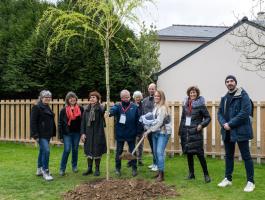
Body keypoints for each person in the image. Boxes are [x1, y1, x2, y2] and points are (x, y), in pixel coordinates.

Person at [217, 75, 255, 192]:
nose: (229, 83)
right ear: (226, 84)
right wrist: (224, 124)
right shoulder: (224, 98)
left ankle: (250, 182)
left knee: (246, 156)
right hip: (227, 131)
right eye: (227, 81)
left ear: (235, 82)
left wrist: (230, 124)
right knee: (229, 156)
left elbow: (245, 113)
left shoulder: (243, 95)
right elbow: (219, 113)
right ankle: (228, 179)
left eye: (231, 81)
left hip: (241, 131)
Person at [178, 86, 211, 183]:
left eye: (194, 92)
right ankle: (191, 174)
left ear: (197, 93)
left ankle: (206, 175)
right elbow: (183, 119)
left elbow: (208, 118)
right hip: (186, 132)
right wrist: (180, 131)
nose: (192, 94)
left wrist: (201, 125)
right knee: (189, 153)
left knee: (200, 154)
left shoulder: (201, 105)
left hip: (196, 132)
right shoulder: (185, 105)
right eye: (191, 93)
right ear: (188, 94)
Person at [109, 89, 140, 177]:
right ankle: (118, 168)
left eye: (127, 97)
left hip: (131, 133)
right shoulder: (118, 106)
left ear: (130, 97)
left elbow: (138, 120)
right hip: (120, 134)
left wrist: (138, 132)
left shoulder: (134, 106)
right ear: (121, 98)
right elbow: (113, 110)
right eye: (124, 97)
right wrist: (110, 113)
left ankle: (134, 168)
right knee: (119, 152)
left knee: (133, 152)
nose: (126, 99)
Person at [143, 90, 172, 182]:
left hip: (163, 133)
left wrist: (148, 131)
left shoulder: (163, 108)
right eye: (155, 96)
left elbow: (159, 122)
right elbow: (154, 120)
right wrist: (147, 125)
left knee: (159, 152)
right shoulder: (156, 107)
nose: (156, 97)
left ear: (162, 97)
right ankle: (159, 172)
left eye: (158, 96)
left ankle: (162, 175)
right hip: (156, 132)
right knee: (155, 152)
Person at [30, 90, 56, 181]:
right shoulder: (37, 107)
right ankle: (45, 171)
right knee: (46, 151)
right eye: (45, 97)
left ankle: (39, 170)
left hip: (47, 134)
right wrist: (35, 135)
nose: (47, 98)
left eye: (49, 97)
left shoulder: (47, 106)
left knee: (42, 151)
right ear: (41, 98)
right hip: (41, 134)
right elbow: (33, 122)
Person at [81, 91, 107, 177]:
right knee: (89, 151)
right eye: (91, 97)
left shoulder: (100, 108)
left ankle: (97, 169)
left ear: (98, 99)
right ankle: (89, 169)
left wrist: (101, 104)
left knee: (97, 151)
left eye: (94, 97)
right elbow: (83, 122)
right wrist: (83, 133)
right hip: (88, 133)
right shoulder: (86, 109)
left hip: (97, 133)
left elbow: (103, 111)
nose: (92, 98)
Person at [58, 91, 84, 176]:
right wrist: (60, 136)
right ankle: (62, 168)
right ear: (67, 100)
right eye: (70, 98)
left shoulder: (81, 109)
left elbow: (83, 122)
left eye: (74, 97)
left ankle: (74, 166)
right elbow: (60, 124)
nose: (72, 99)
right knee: (67, 149)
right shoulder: (63, 110)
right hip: (67, 133)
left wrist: (83, 132)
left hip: (77, 133)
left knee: (75, 149)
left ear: (76, 99)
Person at [142, 83, 157, 171]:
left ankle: (157, 164)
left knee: (156, 146)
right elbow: (143, 113)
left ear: (155, 89)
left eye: (153, 89)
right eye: (150, 89)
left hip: (155, 127)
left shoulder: (157, 99)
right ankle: (154, 163)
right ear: (148, 89)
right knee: (152, 146)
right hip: (147, 128)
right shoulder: (145, 100)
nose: (151, 90)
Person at [128, 91, 144, 167]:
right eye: (136, 97)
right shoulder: (131, 105)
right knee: (131, 145)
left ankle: (139, 159)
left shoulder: (143, 105)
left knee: (140, 145)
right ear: (134, 98)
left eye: (139, 97)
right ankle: (130, 160)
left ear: (141, 98)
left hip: (140, 128)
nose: (138, 98)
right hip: (132, 129)